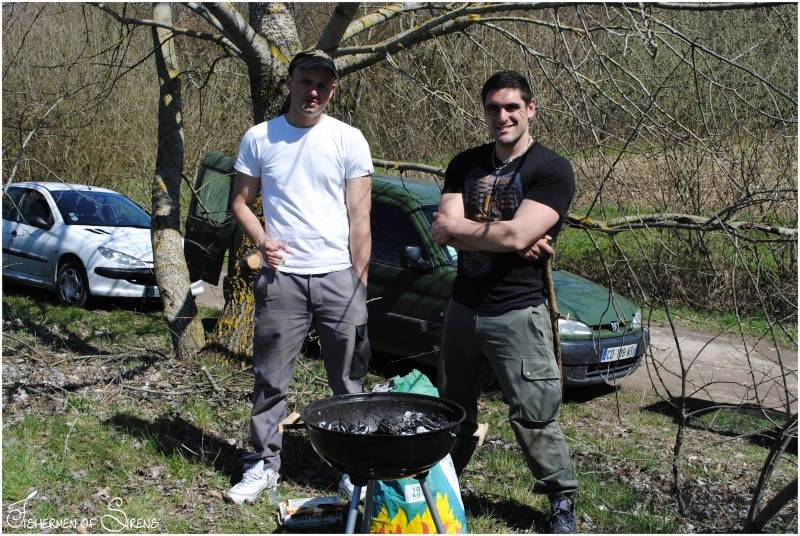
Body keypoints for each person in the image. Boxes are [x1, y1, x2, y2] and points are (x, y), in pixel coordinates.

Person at [431, 70, 579, 533]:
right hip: (463, 307)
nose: (503, 116)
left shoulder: (551, 169)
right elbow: (443, 228)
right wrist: (509, 238)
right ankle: (444, 486)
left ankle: (561, 501)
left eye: (513, 107)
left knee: (533, 413)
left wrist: (493, 233)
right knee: (451, 407)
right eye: (494, 108)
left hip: (518, 311)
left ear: (531, 108)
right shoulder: (464, 163)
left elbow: (510, 232)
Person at [226, 50, 373, 504]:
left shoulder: (349, 139)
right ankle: (262, 466)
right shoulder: (260, 138)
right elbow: (239, 203)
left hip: (338, 278)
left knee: (349, 383)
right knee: (270, 380)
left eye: (323, 85)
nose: (314, 92)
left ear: (333, 90)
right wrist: (261, 239)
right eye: (306, 82)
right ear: (289, 83)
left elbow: (360, 216)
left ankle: (354, 471)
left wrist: (359, 284)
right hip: (282, 279)